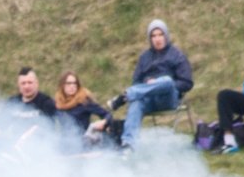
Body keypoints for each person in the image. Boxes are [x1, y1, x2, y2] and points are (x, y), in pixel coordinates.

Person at [110, 20, 193, 150]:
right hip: (149, 100)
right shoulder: (144, 57)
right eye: (153, 36)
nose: (157, 39)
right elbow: (136, 82)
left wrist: (160, 84)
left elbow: (187, 82)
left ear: (166, 35)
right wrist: (147, 84)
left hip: (168, 98)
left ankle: (126, 96)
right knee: (136, 102)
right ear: (150, 39)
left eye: (160, 35)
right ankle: (128, 144)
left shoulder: (177, 55)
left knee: (166, 81)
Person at [0, 68, 57, 157]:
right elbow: (0, 123)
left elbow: (44, 126)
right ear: (19, 85)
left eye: (30, 82)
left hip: (38, 146)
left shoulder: (46, 102)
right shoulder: (13, 101)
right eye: (23, 83)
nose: (26, 86)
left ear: (36, 83)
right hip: (15, 144)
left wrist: (24, 138)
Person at [52, 71, 111, 148]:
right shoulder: (58, 103)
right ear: (62, 85)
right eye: (69, 83)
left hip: (82, 143)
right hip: (64, 143)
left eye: (74, 83)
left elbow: (107, 114)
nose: (72, 86)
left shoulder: (84, 101)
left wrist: (104, 122)